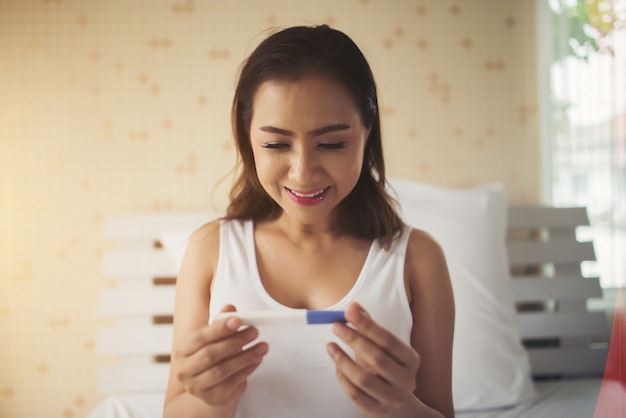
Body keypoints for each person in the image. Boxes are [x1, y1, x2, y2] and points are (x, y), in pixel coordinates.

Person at [163, 25, 455, 418]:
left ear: (367, 133)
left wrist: (399, 407)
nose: (303, 173)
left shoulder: (418, 259)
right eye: (276, 144)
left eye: (332, 143)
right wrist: (210, 399)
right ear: (247, 139)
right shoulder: (210, 251)